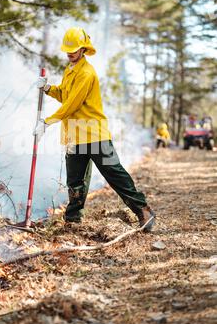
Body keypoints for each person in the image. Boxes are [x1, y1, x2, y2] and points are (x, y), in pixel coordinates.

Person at [33, 27, 155, 232]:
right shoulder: (69, 69)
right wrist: (48, 89)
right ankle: (72, 221)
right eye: (68, 50)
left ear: (83, 49)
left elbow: (72, 104)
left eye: (74, 49)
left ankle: (143, 210)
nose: (70, 53)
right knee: (75, 180)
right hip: (74, 134)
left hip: (94, 134)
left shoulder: (87, 73)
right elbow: (65, 95)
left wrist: (47, 122)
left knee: (114, 172)